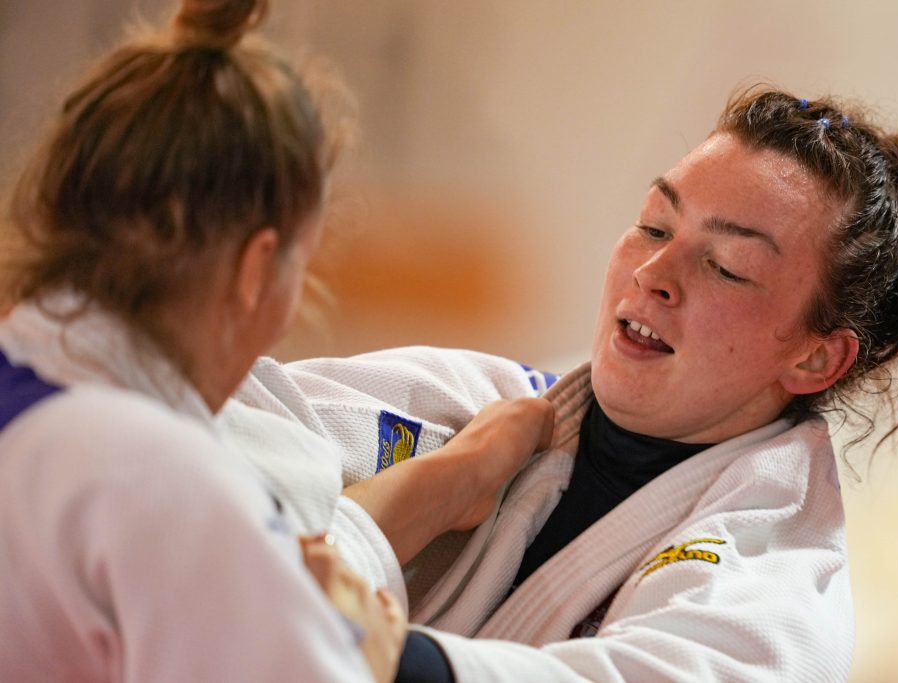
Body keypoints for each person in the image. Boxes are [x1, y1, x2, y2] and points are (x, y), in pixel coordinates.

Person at [217, 86, 898, 682]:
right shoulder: (474, 407)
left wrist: (372, 627)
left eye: (726, 266)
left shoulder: (776, 584)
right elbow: (198, 458)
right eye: (655, 225)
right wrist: (439, 481)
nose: (654, 271)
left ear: (814, 359)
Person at [0, 1, 553, 681]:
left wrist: (445, 482)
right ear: (256, 268)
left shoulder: (51, 402)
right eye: (306, 265)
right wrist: (364, 638)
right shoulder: (171, 487)